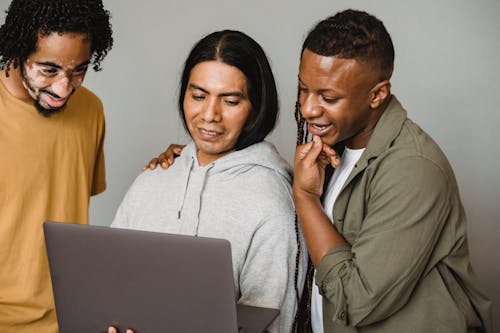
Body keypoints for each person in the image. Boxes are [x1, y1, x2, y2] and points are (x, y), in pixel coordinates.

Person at [292, 9, 492, 332]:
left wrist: (304, 198)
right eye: (304, 89)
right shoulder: (329, 147)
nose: (308, 108)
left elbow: (358, 300)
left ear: (377, 95)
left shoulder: (412, 169)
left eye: (328, 97)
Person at [110, 30, 307, 333]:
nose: (209, 115)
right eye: (198, 96)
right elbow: (108, 288)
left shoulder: (272, 202)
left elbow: (272, 324)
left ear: (256, 106)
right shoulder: (151, 180)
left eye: (230, 101)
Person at [0, 0, 113, 332]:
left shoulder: (91, 109)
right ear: (18, 50)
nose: (64, 88)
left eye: (79, 69)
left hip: (71, 318)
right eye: (48, 69)